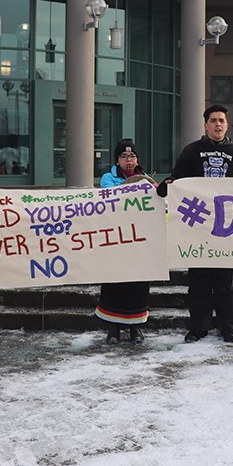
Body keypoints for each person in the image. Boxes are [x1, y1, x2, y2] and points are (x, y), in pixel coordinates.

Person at [158, 104, 233, 343]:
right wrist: (167, 185)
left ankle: (228, 327)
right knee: (198, 282)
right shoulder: (191, 151)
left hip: (225, 228)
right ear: (206, 125)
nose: (218, 124)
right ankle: (199, 327)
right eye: (213, 120)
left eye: (222, 120)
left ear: (227, 125)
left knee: (225, 283)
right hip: (196, 227)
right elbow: (176, 180)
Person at [94, 139, 154, 345]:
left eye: (132, 156)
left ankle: (136, 327)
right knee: (114, 282)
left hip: (139, 240)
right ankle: (113, 327)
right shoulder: (107, 178)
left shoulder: (146, 179)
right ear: (117, 160)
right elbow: (108, 198)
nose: (129, 160)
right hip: (116, 238)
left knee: (138, 283)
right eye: (124, 156)